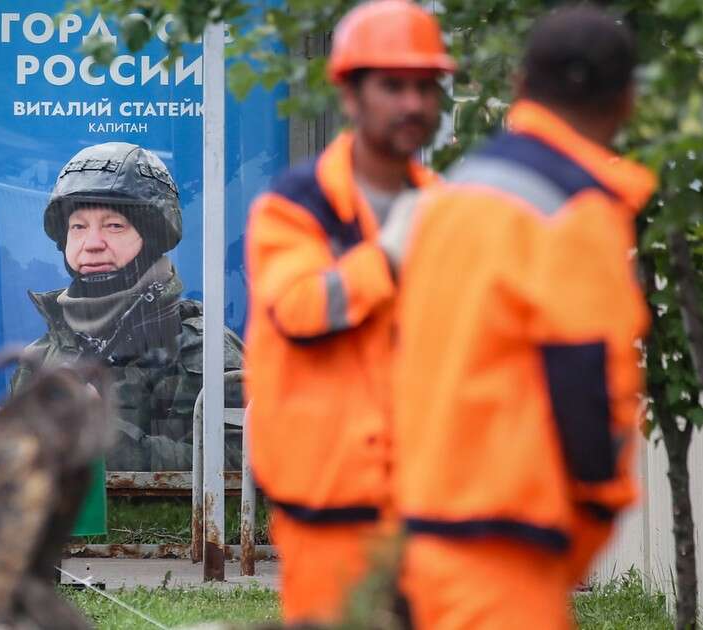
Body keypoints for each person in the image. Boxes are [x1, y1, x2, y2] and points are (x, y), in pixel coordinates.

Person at [392, 7, 654, 629]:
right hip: (512, 549)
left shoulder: (447, 201)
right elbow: (589, 391)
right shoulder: (578, 217)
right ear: (627, 103)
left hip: (422, 535)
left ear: (517, 86)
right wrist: (589, 522)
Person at [243, 0, 455, 623]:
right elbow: (302, 308)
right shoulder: (296, 207)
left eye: (425, 87)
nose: (413, 104)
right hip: (330, 505)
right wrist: (386, 258)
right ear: (350, 94)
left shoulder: (443, 208)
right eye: (392, 85)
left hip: (428, 499)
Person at [10, 142, 245, 472]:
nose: (91, 244)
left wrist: (107, 441)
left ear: (151, 236)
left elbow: (245, 470)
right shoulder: (40, 357)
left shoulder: (201, 349)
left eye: (114, 226)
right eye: (78, 227)